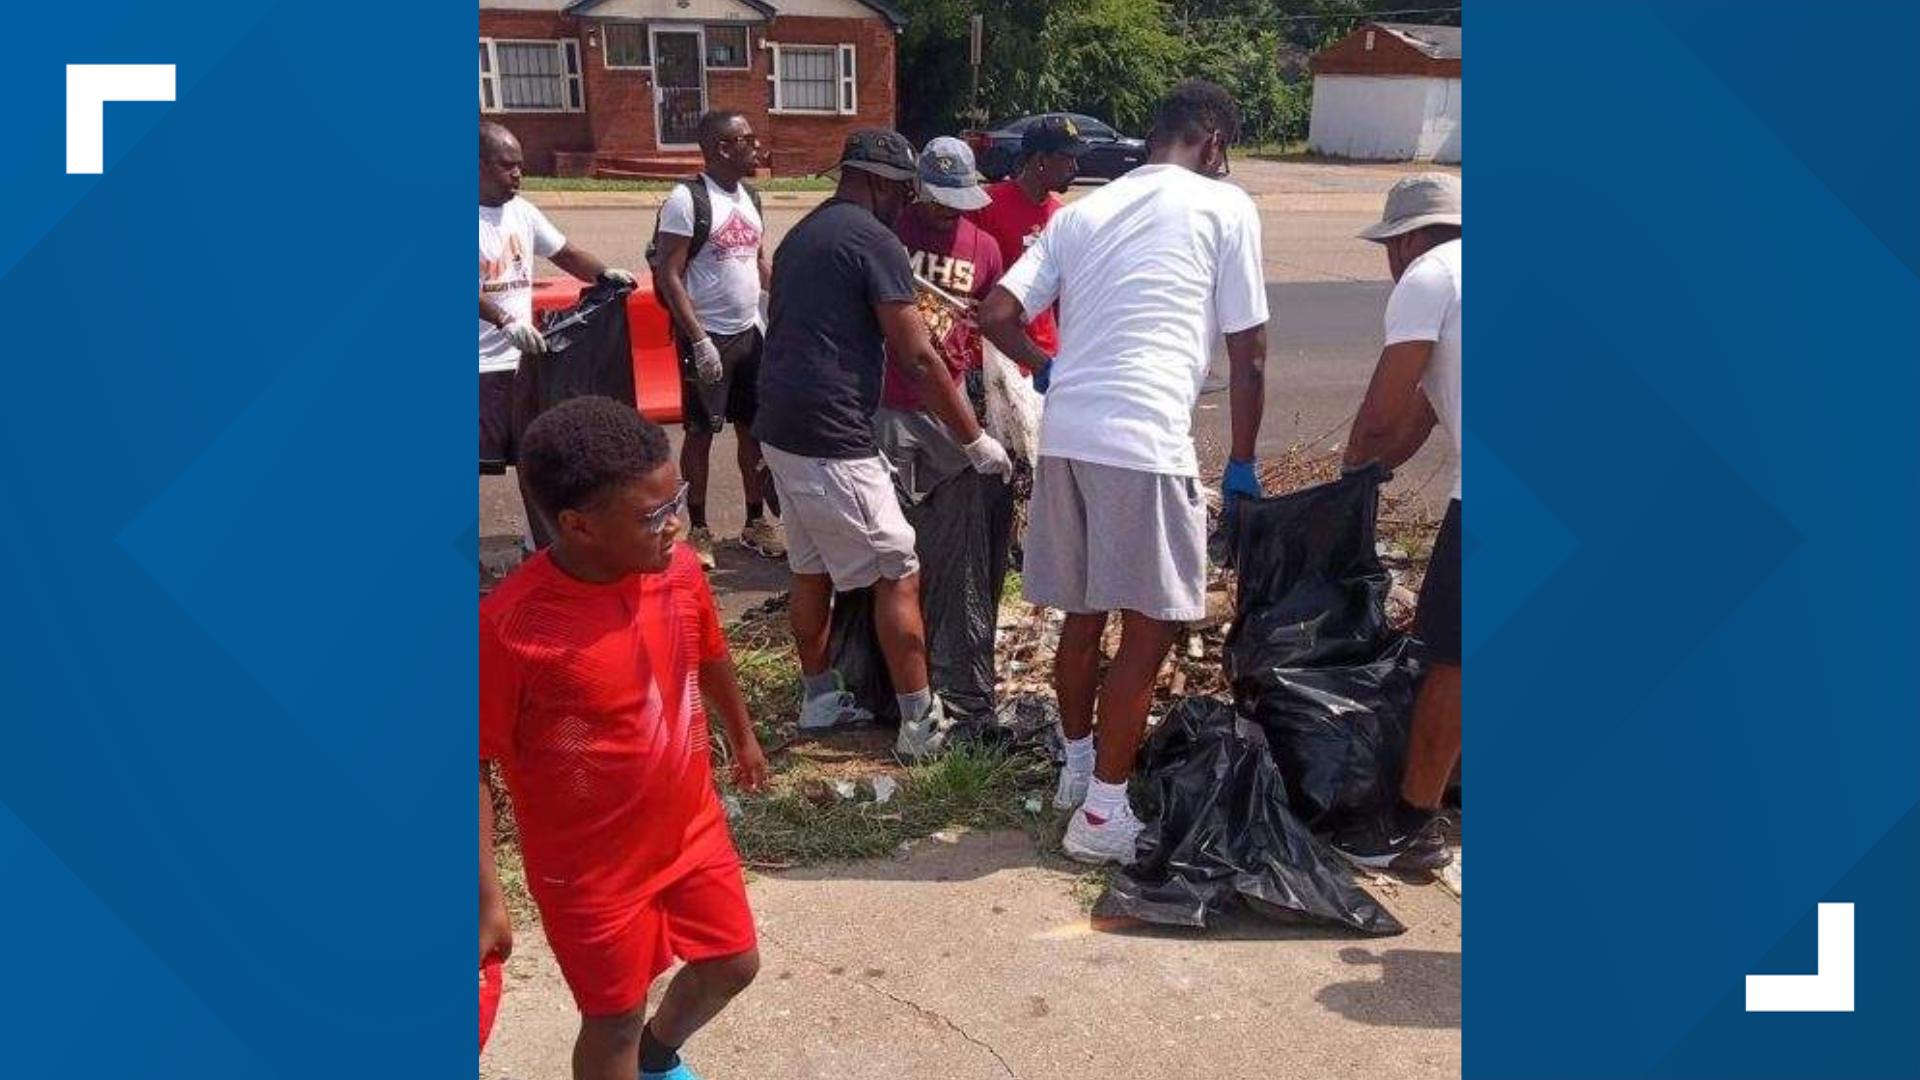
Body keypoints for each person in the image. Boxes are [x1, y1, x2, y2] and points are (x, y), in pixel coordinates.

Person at [980, 81, 1270, 865]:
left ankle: (1080, 773)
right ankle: (1104, 817)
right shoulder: (1226, 206)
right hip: (1144, 440)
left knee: (1083, 613)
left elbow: (996, 314)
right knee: (1152, 623)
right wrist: (1241, 462)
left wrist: (1046, 369)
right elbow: (1248, 356)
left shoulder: (1082, 213)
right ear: (1212, 144)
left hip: (1070, 435)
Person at [480, 396, 769, 1080]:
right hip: (589, 870)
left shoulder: (679, 571)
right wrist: (485, 891)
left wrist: (745, 737)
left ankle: (658, 1057)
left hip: (689, 827)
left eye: (680, 502)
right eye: (653, 516)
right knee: (612, 1019)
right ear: (577, 524)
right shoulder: (512, 627)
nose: (676, 526)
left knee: (734, 962)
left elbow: (709, 651)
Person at [755, 130, 1013, 759]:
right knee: (899, 566)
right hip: (832, 433)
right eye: (902, 189)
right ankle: (922, 725)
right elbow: (921, 357)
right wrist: (975, 439)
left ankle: (820, 697)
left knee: (810, 565)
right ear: (878, 181)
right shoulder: (875, 240)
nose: (906, 201)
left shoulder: (805, 233)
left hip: (781, 429)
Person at [1332, 173, 1462, 873]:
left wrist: (1348, 477)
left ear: (1407, 239)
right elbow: (1422, 416)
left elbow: (1384, 414)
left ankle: (1412, 825)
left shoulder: (1428, 276)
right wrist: (1377, 472)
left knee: (1452, 658)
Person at [873, 137, 1012, 730]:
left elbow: (991, 316)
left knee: (948, 546)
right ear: (917, 187)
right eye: (938, 200)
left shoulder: (983, 246)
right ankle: (894, 676)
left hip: (948, 407)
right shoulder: (890, 234)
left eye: (958, 202)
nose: (948, 212)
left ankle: (947, 663)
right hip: (888, 403)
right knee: (895, 547)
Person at [478, 121, 633, 541]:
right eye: (506, 166)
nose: (517, 175)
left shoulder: (522, 211)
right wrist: (504, 320)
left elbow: (563, 252)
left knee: (535, 453)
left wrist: (604, 273)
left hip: (523, 360)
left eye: (520, 166)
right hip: (479, 364)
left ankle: (539, 539)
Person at [652, 110, 783, 569]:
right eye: (746, 139)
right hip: (707, 336)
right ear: (721, 148)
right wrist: (699, 339)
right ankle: (700, 528)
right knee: (700, 434)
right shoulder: (686, 200)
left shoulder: (751, 197)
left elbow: (757, 260)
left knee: (754, 432)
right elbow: (669, 273)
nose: (756, 145)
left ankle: (754, 521)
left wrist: (785, 296)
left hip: (750, 334)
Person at [967, 114, 1087, 375]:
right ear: (1040, 160)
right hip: (996, 358)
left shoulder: (1062, 217)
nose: (1075, 167)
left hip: (1046, 357)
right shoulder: (986, 206)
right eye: (1067, 158)